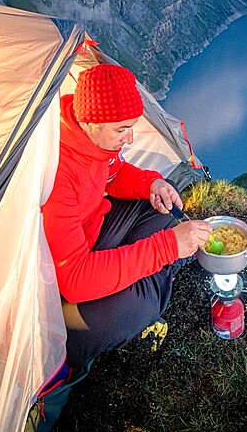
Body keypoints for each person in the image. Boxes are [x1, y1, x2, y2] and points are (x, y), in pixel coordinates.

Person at [42, 62, 212, 370]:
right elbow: (74, 280)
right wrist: (167, 248)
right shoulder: (57, 174)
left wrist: (151, 183)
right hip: (59, 293)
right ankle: (151, 287)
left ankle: (147, 276)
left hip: (93, 234)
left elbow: (113, 172)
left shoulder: (88, 134)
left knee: (164, 197)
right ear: (90, 122)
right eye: (122, 129)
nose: (131, 138)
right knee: (139, 305)